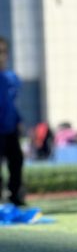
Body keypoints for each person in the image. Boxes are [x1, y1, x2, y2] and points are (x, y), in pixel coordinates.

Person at [0, 37, 25, 205]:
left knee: (16, 160)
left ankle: (15, 196)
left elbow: (11, 104)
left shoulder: (11, 78)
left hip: (9, 129)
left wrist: (18, 120)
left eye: (3, 52)